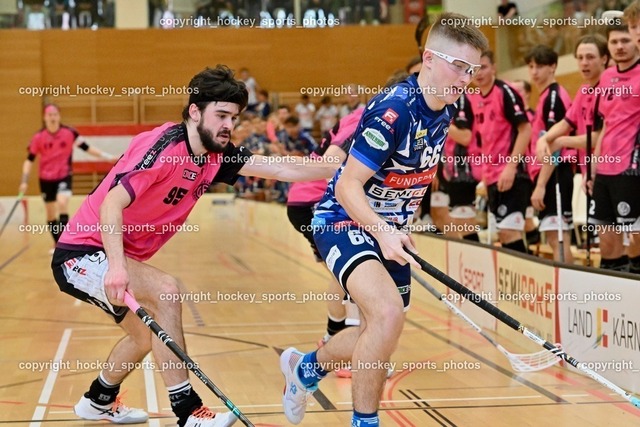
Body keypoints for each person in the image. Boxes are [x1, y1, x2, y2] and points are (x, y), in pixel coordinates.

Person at [51, 65, 337, 426]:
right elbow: (111, 203)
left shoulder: (216, 157)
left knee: (144, 337)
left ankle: (97, 401)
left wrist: (354, 165)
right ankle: (188, 412)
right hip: (82, 252)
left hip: (112, 255)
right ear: (195, 111)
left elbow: (284, 170)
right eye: (221, 115)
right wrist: (118, 267)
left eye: (233, 117)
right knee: (167, 292)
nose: (228, 125)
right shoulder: (164, 148)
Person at [279, 13, 488, 427]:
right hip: (343, 220)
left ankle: (305, 368)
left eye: (473, 70)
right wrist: (384, 231)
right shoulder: (395, 112)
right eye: (458, 66)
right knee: (388, 316)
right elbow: (347, 187)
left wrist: (401, 224)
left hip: (386, 226)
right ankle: (365, 421)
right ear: (428, 58)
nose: (466, 78)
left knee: (381, 330)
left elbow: (413, 177)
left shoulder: (444, 110)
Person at [536, 34, 609, 252]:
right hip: (590, 174)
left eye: (590, 57)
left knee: (612, 240)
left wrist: (558, 142)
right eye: (580, 57)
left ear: (604, 59)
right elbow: (567, 121)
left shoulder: (608, 90)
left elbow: (598, 136)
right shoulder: (584, 90)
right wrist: (546, 138)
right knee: (602, 242)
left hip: (609, 171)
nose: (584, 63)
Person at [19, 104, 115, 246]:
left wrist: (107, 157)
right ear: (45, 118)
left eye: (55, 114)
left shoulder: (69, 133)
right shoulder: (39, 137)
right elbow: (29, 160)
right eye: (49, 115)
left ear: (59, 116)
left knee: (62, 202)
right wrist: (24, 181)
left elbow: (87, 148)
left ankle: (64, 243)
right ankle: (57, 243)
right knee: (50, 214)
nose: (52, 117)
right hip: (45, 179)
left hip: (63, 176)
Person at [467, 50, 532, 253]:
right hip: (492, 177)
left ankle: (525, 281)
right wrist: (486, 176)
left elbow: (525, 129)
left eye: (483, 67)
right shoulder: (476, 98)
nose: (479, 73)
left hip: (513, 174)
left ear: (494, 68)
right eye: (474, 69)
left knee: (509, 232)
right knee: (503, 235)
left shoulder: (505, 92)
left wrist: (511, 168)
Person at [589, 23, 640, 272]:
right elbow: (606, 124)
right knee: (607, 243)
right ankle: (614, 303)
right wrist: (594, 167)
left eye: (625, 40)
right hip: (605, 172)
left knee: (636, 241)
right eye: (614, 42)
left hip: (631, 170)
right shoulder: (607, 77)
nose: (620, 46)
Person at [525, 45, 574, 263]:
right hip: (549, 175)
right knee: (555, 238)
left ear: (553, 67)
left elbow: (555, 146)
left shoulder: (554, 97)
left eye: (540, 66)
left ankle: (569, 293)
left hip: (555, 175)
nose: (534, 72)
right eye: (531, 66)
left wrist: (541, 185)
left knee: (558, 238)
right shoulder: (546, 97)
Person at [510, 79, 541, 245]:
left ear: (528, 93)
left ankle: (533, 249)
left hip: (531, 175)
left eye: (519, 91)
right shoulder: (512, 119)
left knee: (526, 219)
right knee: (520, 220)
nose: (516, 96)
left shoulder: (533, 117)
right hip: (518, 174)